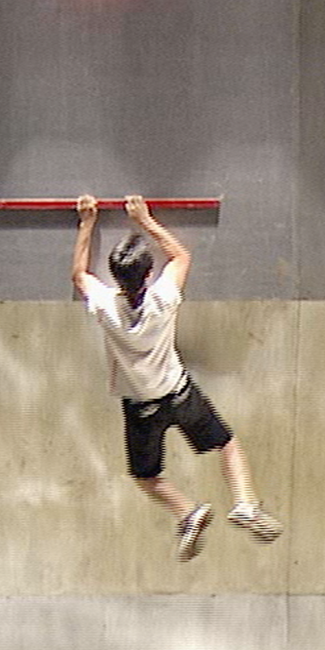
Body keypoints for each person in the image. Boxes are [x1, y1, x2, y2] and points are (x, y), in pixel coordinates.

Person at [72, 194, 283, 561]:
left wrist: (87, 222)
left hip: (140, 407)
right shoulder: (163, 298)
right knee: (227, 445)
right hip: (179, 392)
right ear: (148, 275)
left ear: (116, 277)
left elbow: (79, 275)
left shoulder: (105, 306)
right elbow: (181, 256)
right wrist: (144, 220)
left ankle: (188, 513)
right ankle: (244, 503)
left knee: (146, 476)